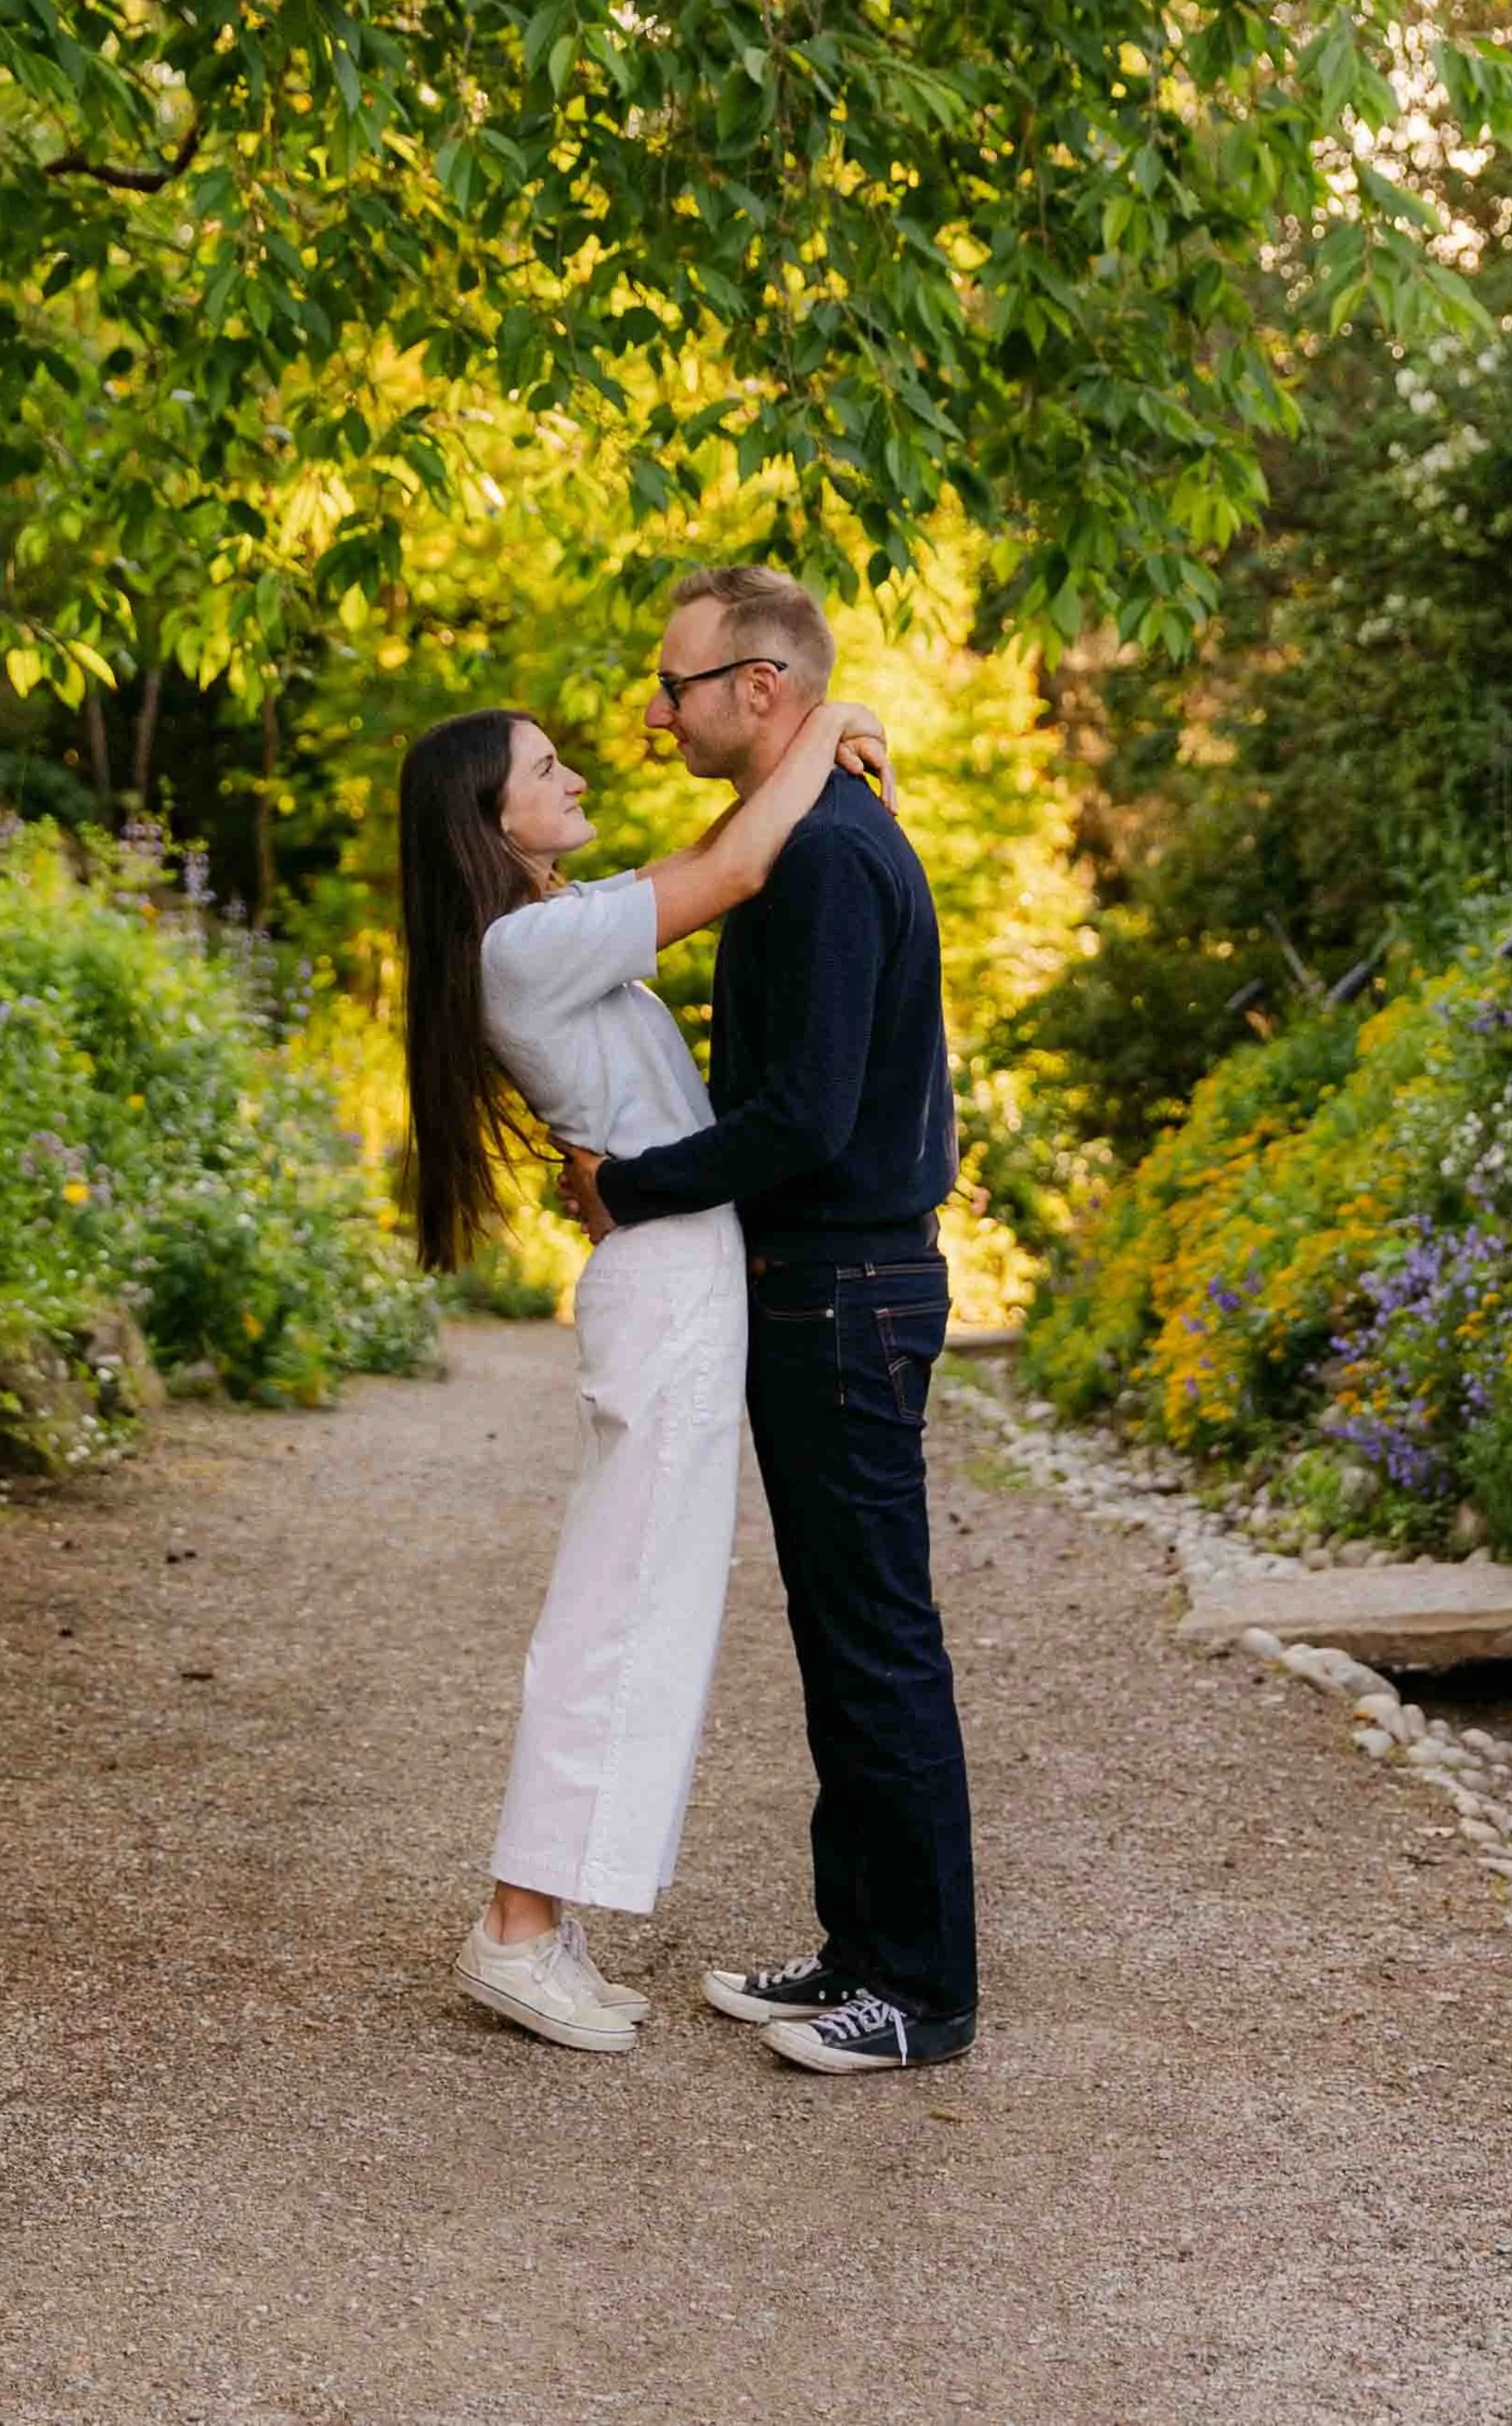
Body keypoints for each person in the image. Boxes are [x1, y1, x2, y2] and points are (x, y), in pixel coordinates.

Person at [396, 683, 892, 2056]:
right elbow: (734, 866)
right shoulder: (530, 944)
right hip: (665, 1282)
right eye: (545, 770)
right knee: (619, 1609)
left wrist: (793, 755)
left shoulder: (545, 927)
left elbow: (714, 847)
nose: (578, 776)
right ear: (485, 819)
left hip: (678, 1274)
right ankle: (513, 1925)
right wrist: (828, 717)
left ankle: (545, 1923)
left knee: (647, 1606)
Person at [559, 564, 974, 2076]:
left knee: (876, 1635)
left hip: (852, 1283)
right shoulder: (790, 835)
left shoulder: (826, 857)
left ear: (761, 688)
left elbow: (801, 1113)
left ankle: (921, 1990)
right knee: (835, 1627)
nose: (653, 707)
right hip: (824, 1282)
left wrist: (632, 1188)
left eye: (673, 682)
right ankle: (856, 1949)